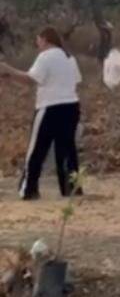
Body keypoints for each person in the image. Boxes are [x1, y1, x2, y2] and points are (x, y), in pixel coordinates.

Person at [0, 28, 82, 201]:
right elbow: (71, 81)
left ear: (44, 39)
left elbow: (31, 79)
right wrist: (11, 77)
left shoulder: (46, 56)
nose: (37, 44)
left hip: (50, 108)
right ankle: (72, 188)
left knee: (37, 149)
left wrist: (8, 69)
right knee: (67, 149)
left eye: (38, 40)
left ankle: (29, 189)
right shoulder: (69, 57)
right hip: (71, 106)